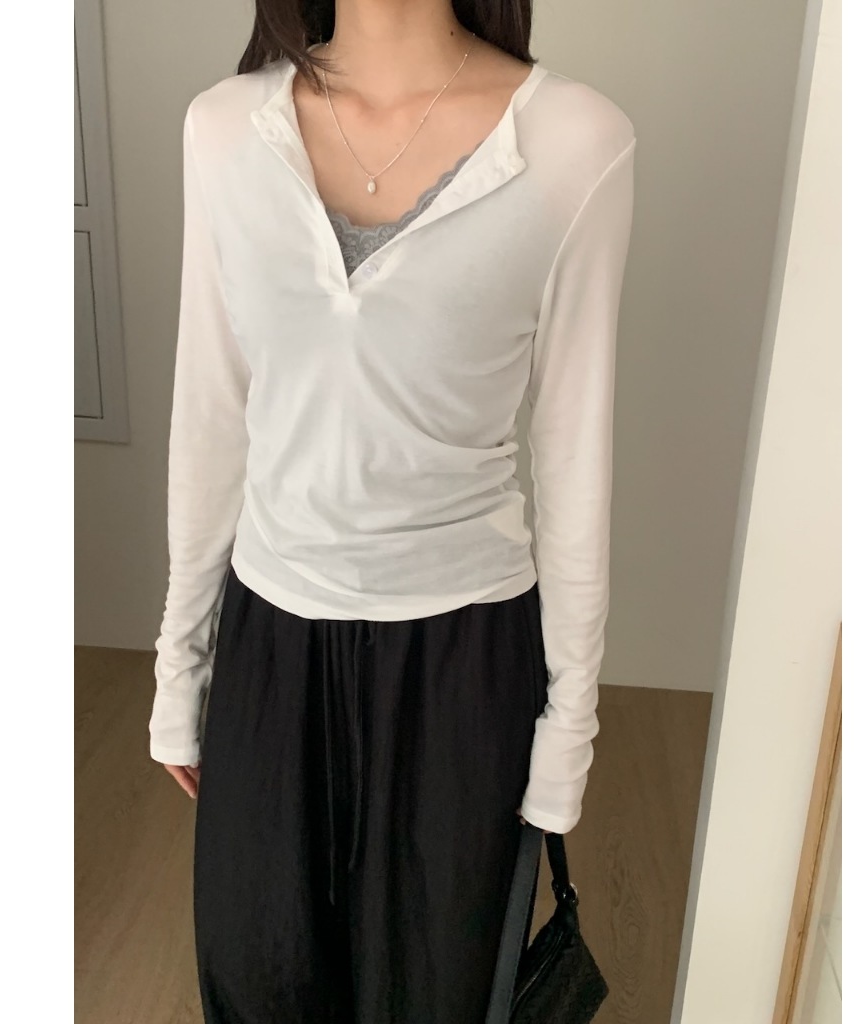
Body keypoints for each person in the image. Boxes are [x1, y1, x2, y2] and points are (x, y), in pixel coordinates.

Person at [148, 1, 637, 1021]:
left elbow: (573, 455)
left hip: (465, 657)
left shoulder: (574, 141)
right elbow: (211, 414)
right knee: (258, 979)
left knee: (435, 991)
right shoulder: (226, 128)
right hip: (270, 641)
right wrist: (178, 664)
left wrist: (570, 724)